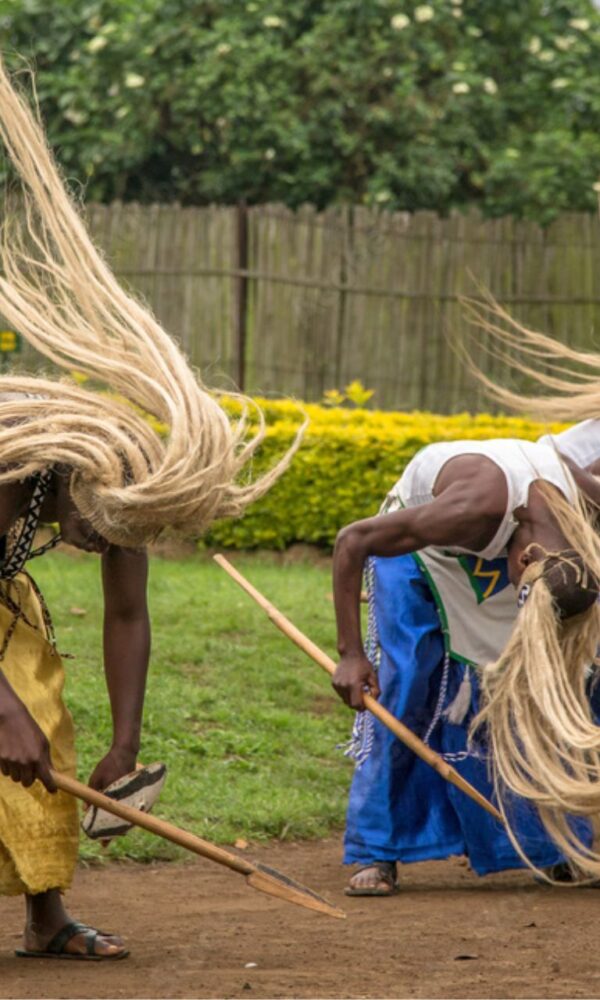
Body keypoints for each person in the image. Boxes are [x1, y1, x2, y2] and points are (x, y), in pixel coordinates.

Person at [0, 60, 302, 958]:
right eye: (100, 533)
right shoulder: (14, 472)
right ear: (72, 482)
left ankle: (46, 921)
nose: (101, 547)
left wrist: (124, 746)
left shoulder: (118, 486)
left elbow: (128, 613)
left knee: (45, 726)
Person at [332, 426, 600, 895]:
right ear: (521, 564)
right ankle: (378, 850)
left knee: (554, 687)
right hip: (422, 555)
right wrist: (351, 655)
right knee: (409, 683)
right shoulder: (468, 508)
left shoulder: (583, 501)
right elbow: (352, 541)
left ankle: (558, 850)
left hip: (513, 547)